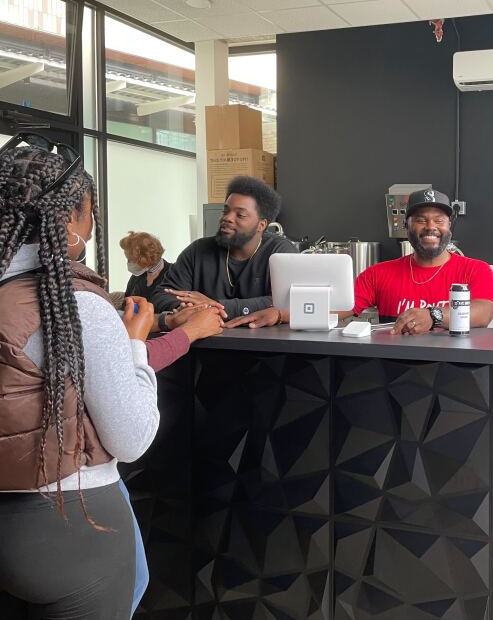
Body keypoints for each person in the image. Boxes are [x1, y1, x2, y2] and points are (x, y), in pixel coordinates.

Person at [0, 136, 159, 617]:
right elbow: (133, 438)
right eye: (90, 213)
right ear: (70, 217)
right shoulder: (79, 309)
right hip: (76, 530)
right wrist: (135, 342)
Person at [227, 189, 493, 334]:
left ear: (450, 225)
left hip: (455, 371)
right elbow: (341, 308)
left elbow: (484, 312)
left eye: (439, 220)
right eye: (420, 220)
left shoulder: (476, 270)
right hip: (394, 373)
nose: (430, 227)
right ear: (407, 226)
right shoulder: (380, 273)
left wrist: (434, 315)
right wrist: (281, 314)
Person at [151, 175, 297, 324]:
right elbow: (162, 296)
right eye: (225, 211)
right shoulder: (198, 251)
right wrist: (190, 307)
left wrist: (213, 305)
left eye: (240, 215)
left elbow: (290, 301)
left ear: (261, 225)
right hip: (204, 343)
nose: (227, 218)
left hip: (265, 344)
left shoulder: (280, 252)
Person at [120, 231, 171, 304]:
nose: (129, 263)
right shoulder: (136, 277)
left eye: (132, 260)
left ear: (145, 257)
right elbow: (125, 305)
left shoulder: (173, 274)